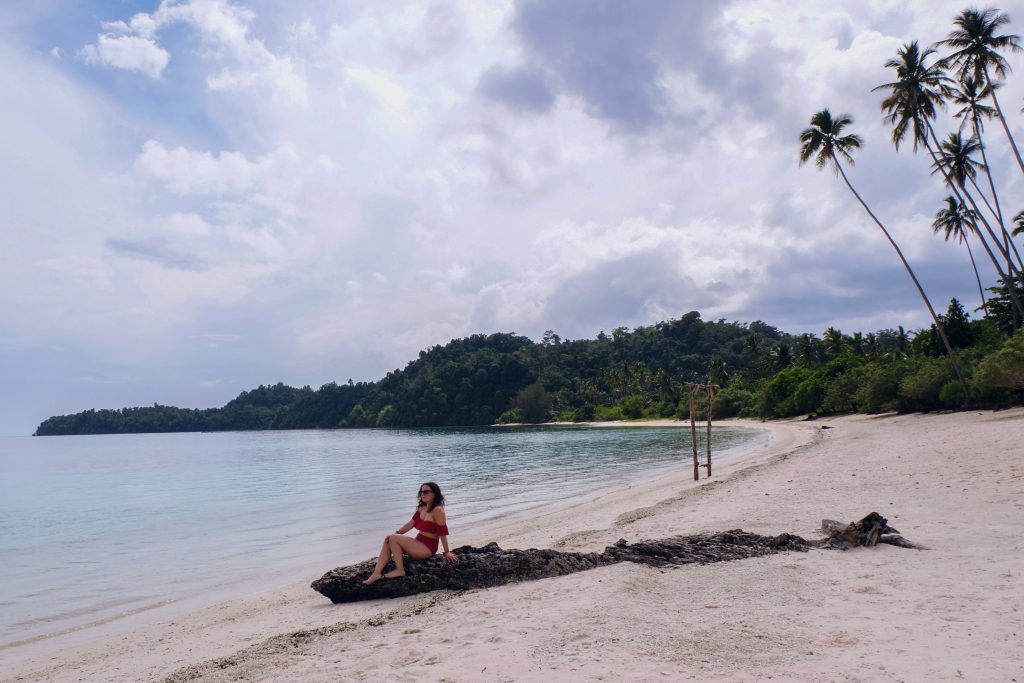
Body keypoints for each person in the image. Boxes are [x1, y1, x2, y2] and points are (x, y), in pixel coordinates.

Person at [362, 481, 458, 584]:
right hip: (418, 542)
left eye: (426, 492)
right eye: (421, 492)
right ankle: (376, 573)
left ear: (434, 493)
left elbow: (442, 532)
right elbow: (411, 523)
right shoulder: (421, 508)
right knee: (388, 540)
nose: (422, 494)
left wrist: (447, 552)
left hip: (427, 548)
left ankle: (400, 570)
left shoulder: (438, 510)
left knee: (393, 538)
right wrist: (397, 533)